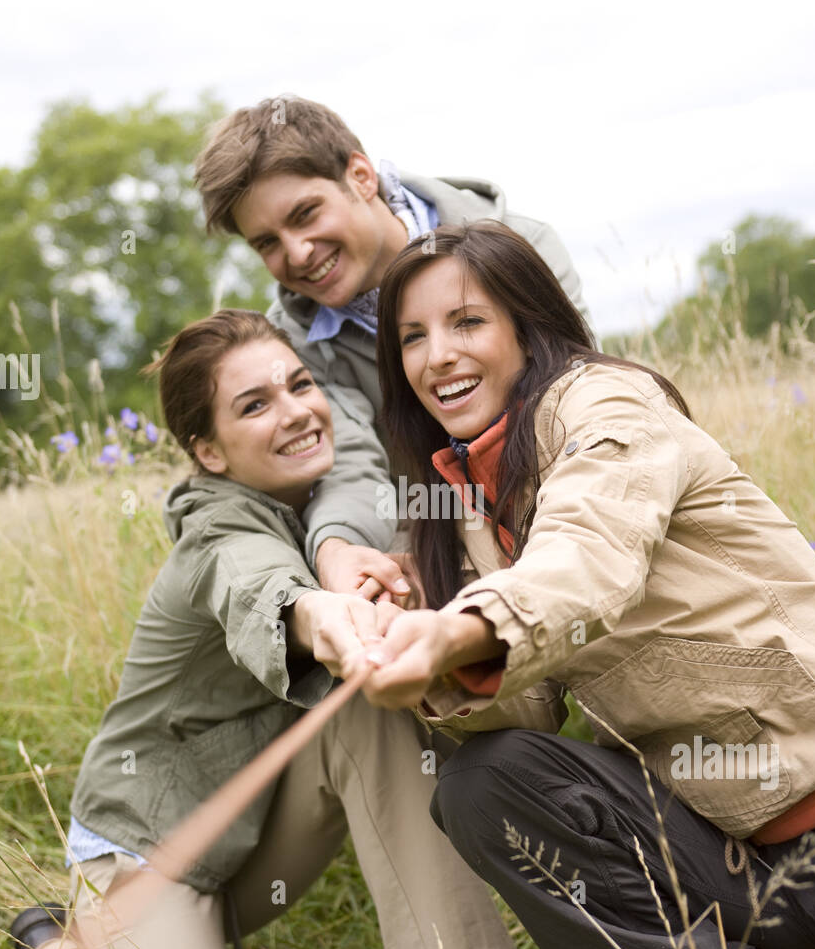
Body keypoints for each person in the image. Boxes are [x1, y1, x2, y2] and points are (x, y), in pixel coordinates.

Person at [346, 219, 815, 949]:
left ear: (527, 324)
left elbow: (586, 559)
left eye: (466, 322)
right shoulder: (463, 497)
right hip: (732, 851)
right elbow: (533, 707)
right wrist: (426, 651)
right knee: (485, 784)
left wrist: (466, 626)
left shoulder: (607, 410)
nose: (437, 357)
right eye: (412, 338)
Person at [6, 308, 541, 949]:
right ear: (209, 453)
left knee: (371, 703)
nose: (294, 411)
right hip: (154, 857)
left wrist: (339, 564)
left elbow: (358, 447)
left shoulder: (326, 471)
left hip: (257, 838)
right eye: (254, 405)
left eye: (299, 385)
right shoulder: (217, 528)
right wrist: (316, 613)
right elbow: (253, 581)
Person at [193, 94, 597, 602]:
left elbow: (573, 399)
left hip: (559, 499)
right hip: (430, 527)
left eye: (305, 214)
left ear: (361, 177)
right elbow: (350, 462)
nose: (296, 253)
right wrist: (336, 550)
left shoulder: (524, 244)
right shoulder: (292, 343)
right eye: (267, 243)